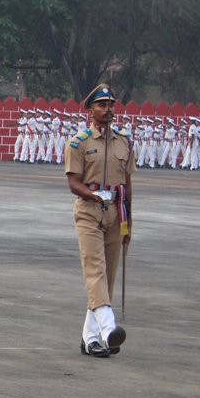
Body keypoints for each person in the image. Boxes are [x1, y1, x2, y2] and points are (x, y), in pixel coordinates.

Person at [64, 83, 135, 358]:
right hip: (88, 211)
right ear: (90, 109)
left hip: (117, 214)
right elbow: (73, 183)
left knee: (107, 279)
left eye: (111, 105)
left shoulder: (124, 141)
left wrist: (130, 223)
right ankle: (108, 329)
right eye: (101, 105)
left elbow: (128, 186)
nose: (108, 110)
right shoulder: (79, 142)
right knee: (95, 270)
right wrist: (94, 196)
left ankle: (90, 339)